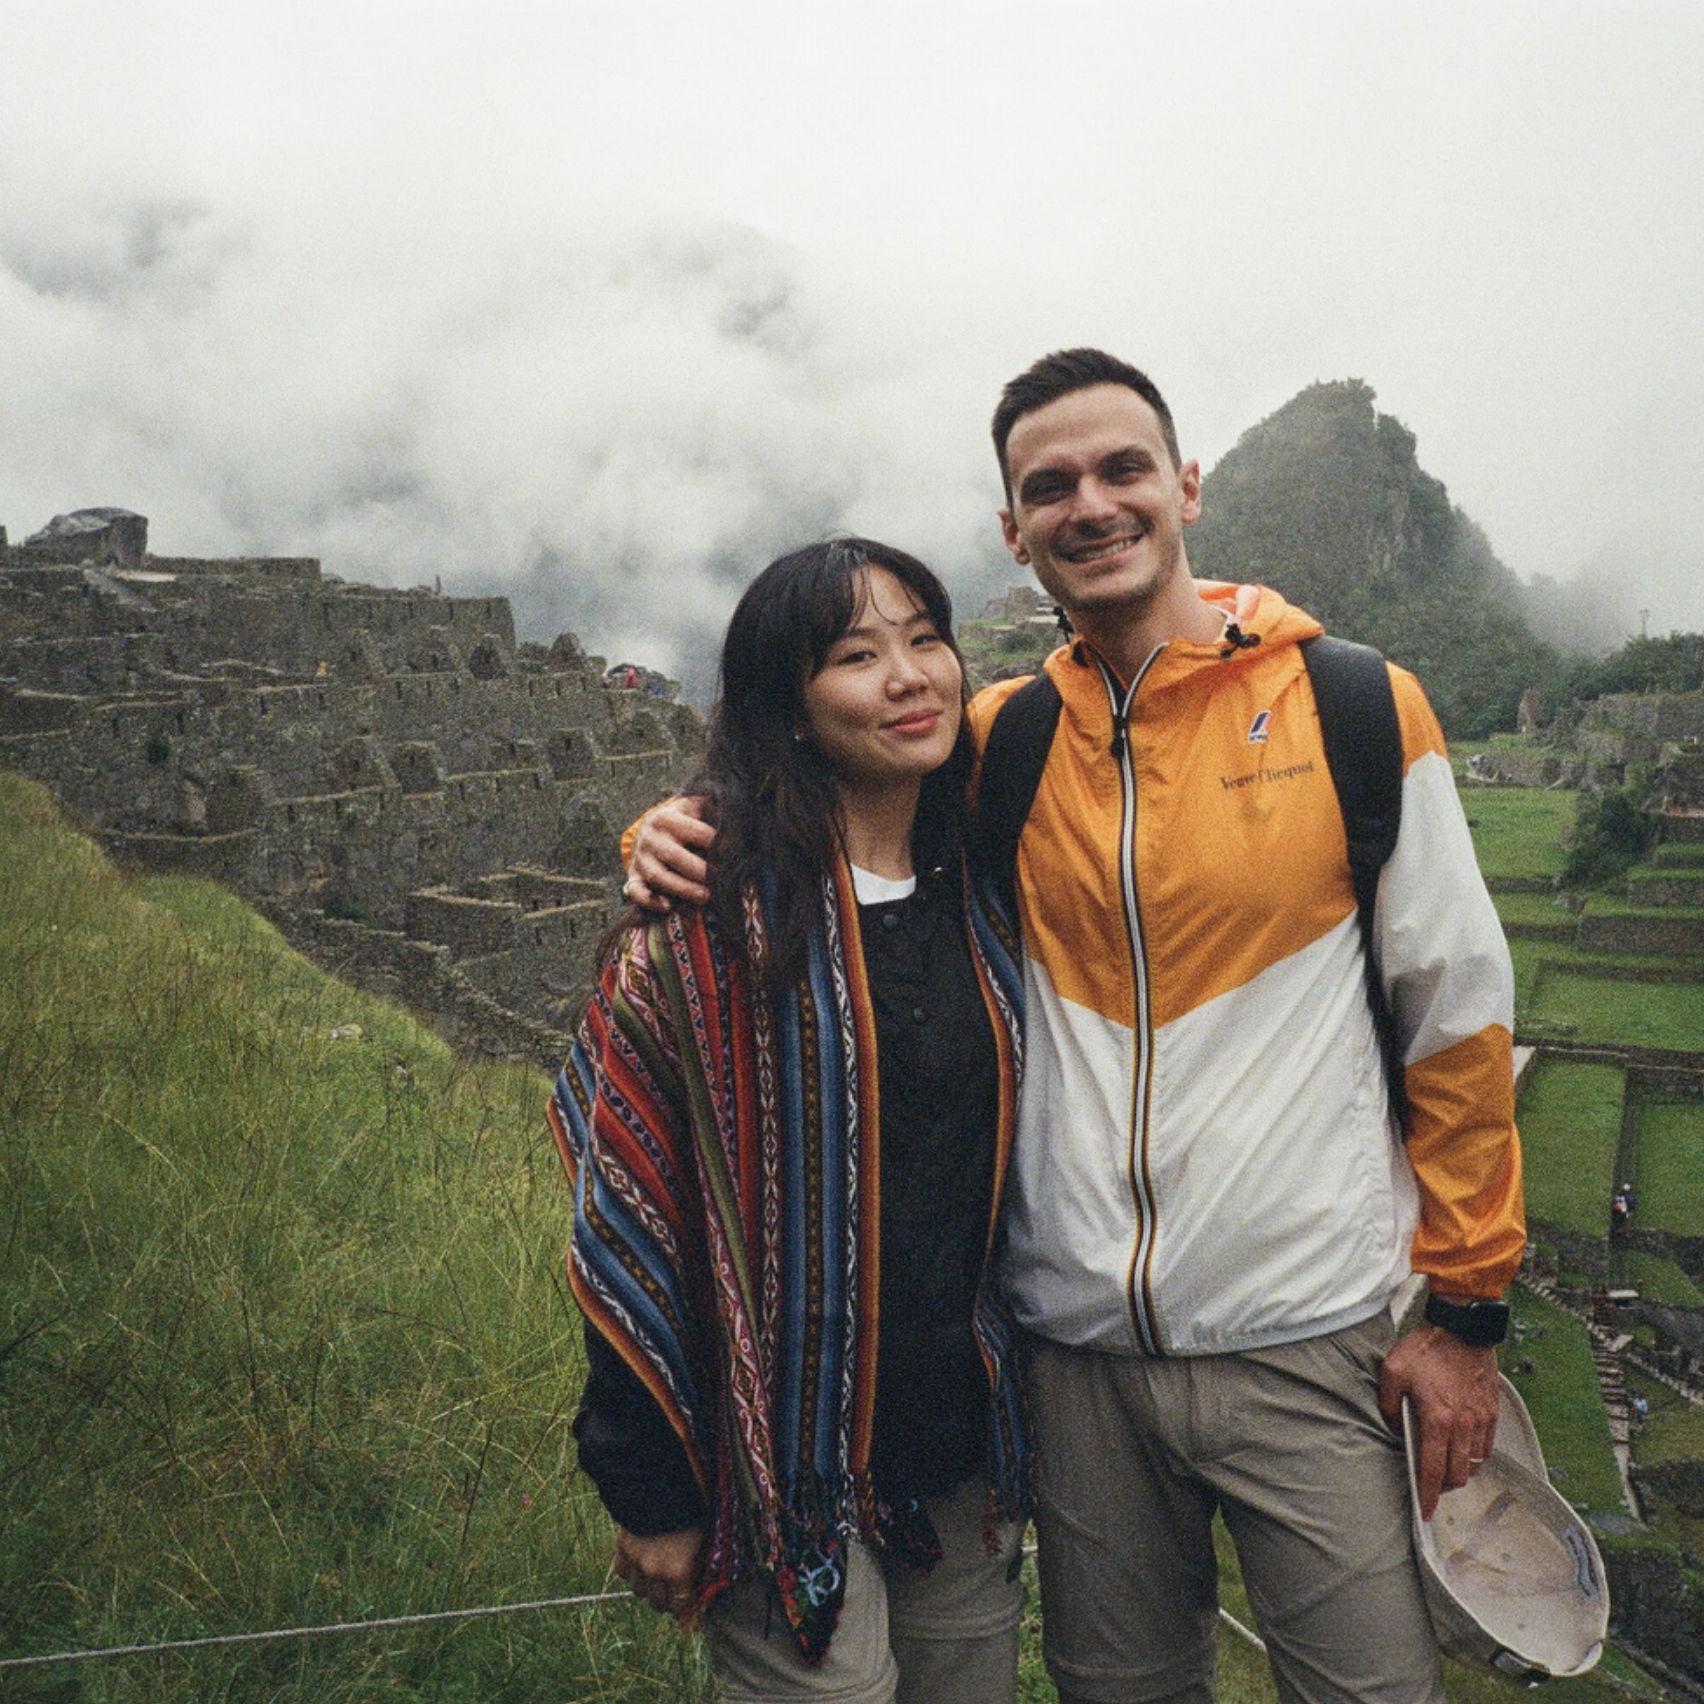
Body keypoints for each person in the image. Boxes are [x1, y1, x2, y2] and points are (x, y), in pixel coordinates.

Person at [626, 350, 1525, 1703]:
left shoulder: (1350, 707)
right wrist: (666, 831)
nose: (1091, 505)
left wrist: (1465, 1315)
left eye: (1122, 470)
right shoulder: (1001, 743)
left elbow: (1454, 1012)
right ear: (1011, 529)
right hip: (1076, 1358)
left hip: (1307, 1337)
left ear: (1187, 486)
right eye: (1050, 486)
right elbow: (826, 795)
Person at [551, 539, 1030, 1704]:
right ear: (791, 706)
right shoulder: (707, 929)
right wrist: (654, 1491)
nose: (910, 677)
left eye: (926, 640)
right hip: (774, 1467)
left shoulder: (989, 887)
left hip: (960, 1448)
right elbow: (635, 1206)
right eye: (858, 656)